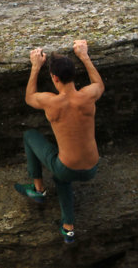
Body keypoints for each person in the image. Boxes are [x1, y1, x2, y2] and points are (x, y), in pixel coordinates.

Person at [15, 39, 104, 243]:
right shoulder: (89, 96)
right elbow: (99, 84)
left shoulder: (51, 101)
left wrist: (36, 67)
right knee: (62, 179)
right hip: (92, 168)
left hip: (65, 167)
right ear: (74, 75)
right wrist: (84, 55)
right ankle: (68, 228)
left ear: (54, 78)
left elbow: (29, 97)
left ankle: (38, 189)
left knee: (30, 136)